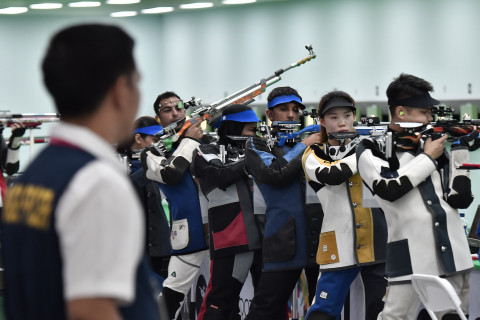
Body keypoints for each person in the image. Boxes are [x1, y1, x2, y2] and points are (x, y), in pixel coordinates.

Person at [0, 24, 159, 320]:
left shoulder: (35, 176)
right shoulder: (96, 183)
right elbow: (91, 310)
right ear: (120, 90)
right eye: (136, 83)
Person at [356, 73, 475, 319]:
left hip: (454, 251)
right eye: (425, 112)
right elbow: (389, 189)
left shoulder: (430, 144)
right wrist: (429, 157)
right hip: (409, 255)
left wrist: (460, 148)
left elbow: (459, 198)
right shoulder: (371, 148)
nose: (430, 118)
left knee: (454, 316)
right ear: (400, 112)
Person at [302, 91, 387, 320]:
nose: (341, 122)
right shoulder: (313, 154)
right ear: (321, 121)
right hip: (337, 246)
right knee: (322, 313)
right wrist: (365, 149)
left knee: (382, 313)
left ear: (354, 117)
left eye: (347, 115)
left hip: (377, 241)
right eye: (333, 117)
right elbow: (332, 174)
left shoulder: (375, 150)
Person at [244, 86, 323, 320]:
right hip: (283, 240)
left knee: (325, 312)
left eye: (295, 110)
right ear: (269, 115)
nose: (291, 114)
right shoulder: (257, 145)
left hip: (320, 239)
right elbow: (275, 174)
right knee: (266, 310)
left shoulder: (310, 144)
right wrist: (305, 145)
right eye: (284, 109)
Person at [142, 91, 210, 319]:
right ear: (158, 117)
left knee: (223, 299)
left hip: (222, 231)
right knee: (170, 301)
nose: (175, 113)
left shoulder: (206, 142)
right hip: (189, 235)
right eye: (167, 110)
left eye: (179, 108)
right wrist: (189, 140)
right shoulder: (151, 153)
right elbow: (171, 173)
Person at [192, 104, 263, 320]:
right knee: (220, 304)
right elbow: (221, 177)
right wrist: (254, 156)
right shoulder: (205, 151)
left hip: (266, 236)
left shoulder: (259, 150)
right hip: (232, 237)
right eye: (250, 129)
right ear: (233, 127)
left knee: (269, 305)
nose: (255, 134)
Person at [119, 116, 172, 281]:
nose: (158, 145)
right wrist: (150, 163)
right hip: (132, 248)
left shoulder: (161, 163)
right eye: (155, 140)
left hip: (160, 246)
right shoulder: (119, 162)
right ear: (138, 138)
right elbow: (130, 187)